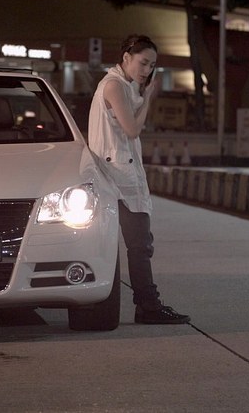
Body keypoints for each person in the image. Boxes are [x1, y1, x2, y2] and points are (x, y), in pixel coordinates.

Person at [87, 34, 190, 325]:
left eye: (152, 65)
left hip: (118, 176)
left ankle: (146, 305)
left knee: (136, 245)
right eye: (143, 63)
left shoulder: (121, 86)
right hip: (118, 179)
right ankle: (148, 306)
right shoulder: (113, 86)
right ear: (126, 57)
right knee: (138, 245)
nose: (147, 70)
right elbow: (132, 129)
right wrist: (147, 98)